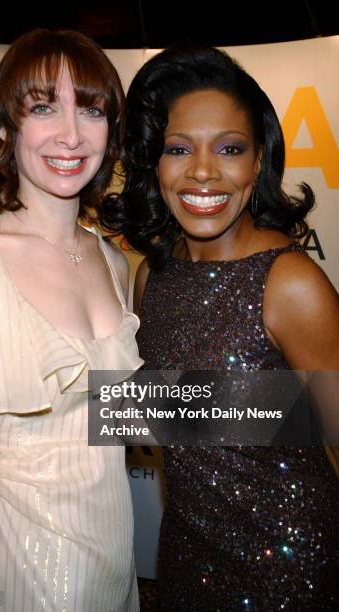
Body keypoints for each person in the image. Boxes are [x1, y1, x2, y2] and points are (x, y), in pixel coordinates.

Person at [102, 45, 339, 610]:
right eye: (177, 149)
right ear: (152, 164)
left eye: (230, 149)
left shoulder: (290, 283)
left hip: (289, 566)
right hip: (184, 557)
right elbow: (159, 421)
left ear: (259, 161)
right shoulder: (153, 281)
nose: (203, 171)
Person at [0, 29, 143, 612]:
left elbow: (113, 416)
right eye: (43, 108)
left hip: (115, 576)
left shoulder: (110, 261)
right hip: (21, 584)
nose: (71, 135)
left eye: (90, 109)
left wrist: (279, 405)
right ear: (6, 128)